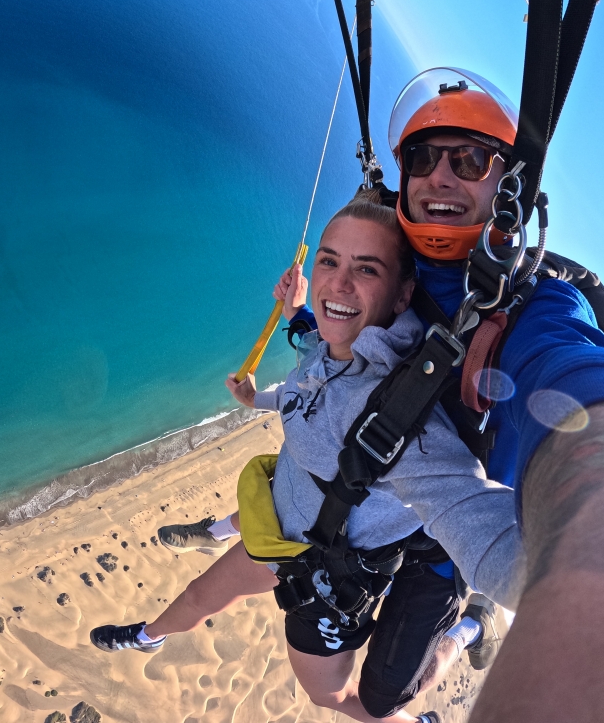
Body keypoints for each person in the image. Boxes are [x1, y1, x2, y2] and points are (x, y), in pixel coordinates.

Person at [144, 67, 604, 720]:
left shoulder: (534, 309)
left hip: (452, 538)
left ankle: (472, 626)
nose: (440, 176)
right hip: (374, 507)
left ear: (507, 189)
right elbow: (353, 332)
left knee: (385, 695)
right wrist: (305, 313)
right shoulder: (395, 262)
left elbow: (580, 380)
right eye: (423, 158)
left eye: (471, 160)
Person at [92, 196, 526, 723]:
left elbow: (481, 517)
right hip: (277, 536)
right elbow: (308, 378)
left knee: (341, 699)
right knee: (200, 593)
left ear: (402, 294)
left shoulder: (407, 429)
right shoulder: (325, 345)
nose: (339, 284)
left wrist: (584, 591)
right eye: (329, 261)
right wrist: (263, 394)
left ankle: (466, 634)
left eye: (366, 269)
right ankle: (147, 637)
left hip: (325, 581)